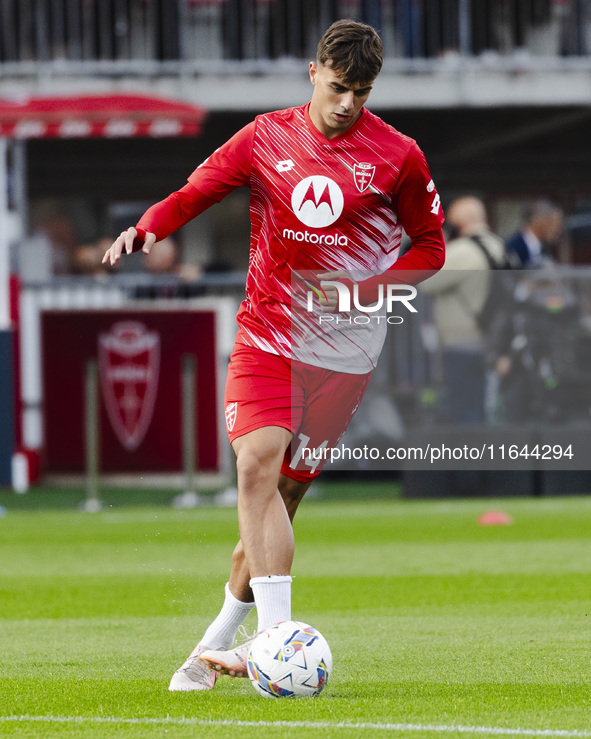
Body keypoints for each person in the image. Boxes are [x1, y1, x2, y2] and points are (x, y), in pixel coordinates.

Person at [102, 19, 445, 692]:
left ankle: (211, 645)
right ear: (313, 72)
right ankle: (274, 641)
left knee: (281, 500)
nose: (348, 103)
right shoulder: (265, 137)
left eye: (362, 92)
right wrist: (144, 227)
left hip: (345, 356)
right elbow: (195, 191)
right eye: (340, 86)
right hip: (268, 335)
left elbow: (430, 246)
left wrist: (368, 289)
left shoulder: (398, 155)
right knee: (256, 464)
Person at [420, 196, 505, 424]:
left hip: (461, 341)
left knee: (463, 409)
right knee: (480, 403)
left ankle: (469, 457)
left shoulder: (462, 251)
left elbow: (425, 281)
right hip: (490, 337)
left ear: (464, 221)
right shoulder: (497, 245)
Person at [505, 200, 564, 269]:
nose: (558, 230)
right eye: (554, 223)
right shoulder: (513, 247)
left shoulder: (542, 249)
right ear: (541, 220)